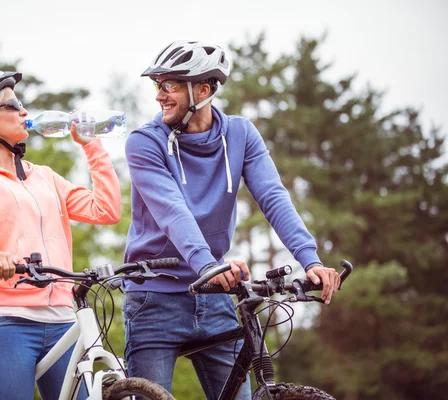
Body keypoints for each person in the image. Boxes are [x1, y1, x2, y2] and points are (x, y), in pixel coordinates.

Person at [122, 40, 341, 399]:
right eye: (157, 85)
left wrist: (310, 258)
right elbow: (173, 212)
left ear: (203, 90)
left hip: (216, 295)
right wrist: (208, 264)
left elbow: (273, 196)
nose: (159, 95)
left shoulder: (240, 134)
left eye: (169, 85)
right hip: (154, 298)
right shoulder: (145, 143)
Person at [0, 69, 121, 400]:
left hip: (64, 323)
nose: (25, 112)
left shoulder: (45, 177)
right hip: (8, 325)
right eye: (14, 105)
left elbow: (106, 210)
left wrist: (91, 145)